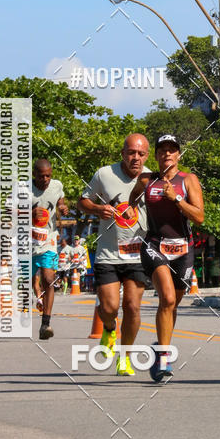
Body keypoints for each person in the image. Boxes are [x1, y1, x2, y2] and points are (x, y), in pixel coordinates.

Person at [127, 134, 204, 383]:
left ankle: (161, 343)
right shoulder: (147, 180)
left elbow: (200, 217)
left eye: (172, 150)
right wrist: (131, 207)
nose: (167, 155)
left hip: (183, 248)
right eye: (162, 151)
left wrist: (177, 199)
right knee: (167, 299)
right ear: (156, 156)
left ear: (178, 155)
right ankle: (163, 357)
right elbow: (134, 197)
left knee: (173, 304)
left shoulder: (188, 180)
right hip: (154, 246)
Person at [77, 134, 151, 377]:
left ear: (147, 156)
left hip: (137, 254)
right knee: (109, 308)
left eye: (141, 154)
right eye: (131, 152)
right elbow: (82, 202)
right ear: (123, 153)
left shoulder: (151, 178)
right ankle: (109, 328)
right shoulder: (104, 174)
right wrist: (99, 209)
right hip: (108, 254)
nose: (136, 158)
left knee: (132, 306)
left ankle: (125, 357)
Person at [31, 159, 69, 339]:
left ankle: (45, 323)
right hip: (27, 242)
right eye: (41, 176)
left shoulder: (56, 186)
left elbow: (60, 200)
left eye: (48, 175)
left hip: (49, 241)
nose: (45, 179)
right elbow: (8, 211)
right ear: (34, 175)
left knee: (48, 278)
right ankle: (36, 295)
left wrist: (62, 206)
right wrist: (28, 213)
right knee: (28, 279)